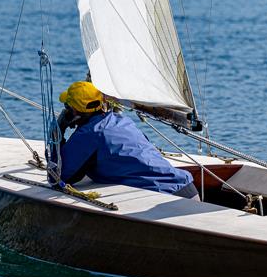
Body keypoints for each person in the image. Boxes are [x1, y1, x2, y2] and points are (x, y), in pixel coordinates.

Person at [55, 81, 199, 200]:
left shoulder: (89, 134)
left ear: (74, 111)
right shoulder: (122, 121)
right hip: (188, 189)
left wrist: (58, 131)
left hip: (165, 196)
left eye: (67, 107)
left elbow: (58, 175)